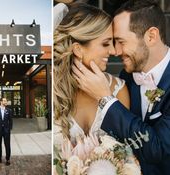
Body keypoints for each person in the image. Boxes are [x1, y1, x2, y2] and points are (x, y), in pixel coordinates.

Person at [72, 0, 170, 174]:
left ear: (151, 36)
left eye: (120, 41)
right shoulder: (127, 77)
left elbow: (159, 148)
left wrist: (106, 98)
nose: (115, 51)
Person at [53, 2, 130, 148]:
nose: (114, 51)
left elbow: (128, 146)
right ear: (78, 49)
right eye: (106, 44)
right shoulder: (54, 88)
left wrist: (106, 97)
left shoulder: (119, 89)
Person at [0, 97, 12, 166]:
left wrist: (9, 129)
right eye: (4, 101)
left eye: (6, 101)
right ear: (1, 102)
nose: (6, 102)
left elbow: (10, 121)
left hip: (6, 131)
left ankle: (8, 159)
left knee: (7, 145)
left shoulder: (9, 110)